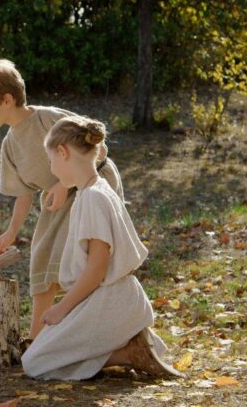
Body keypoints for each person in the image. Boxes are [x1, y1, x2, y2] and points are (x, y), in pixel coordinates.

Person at [0, 59, 124, 341]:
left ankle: (87, 328)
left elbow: (98, 149)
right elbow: (24, 194)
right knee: (41, 256)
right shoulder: (9, 146)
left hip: (92, 188)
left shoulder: (48, 118)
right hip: (58, 200)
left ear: (6, 99)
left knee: (82, 258)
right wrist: (11, 232)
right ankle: (37, 338)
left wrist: (65, 183)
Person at [21, 116, 182, 380]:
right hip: (104, 298)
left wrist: (62, 308)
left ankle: (129, 353)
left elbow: (97, 269)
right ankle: (128, 344)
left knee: (35, 362)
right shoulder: (94, 189)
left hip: (110, 300)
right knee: (38, 354)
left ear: (63, 153)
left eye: (51, 160)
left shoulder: (94, 197)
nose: (52, 168)